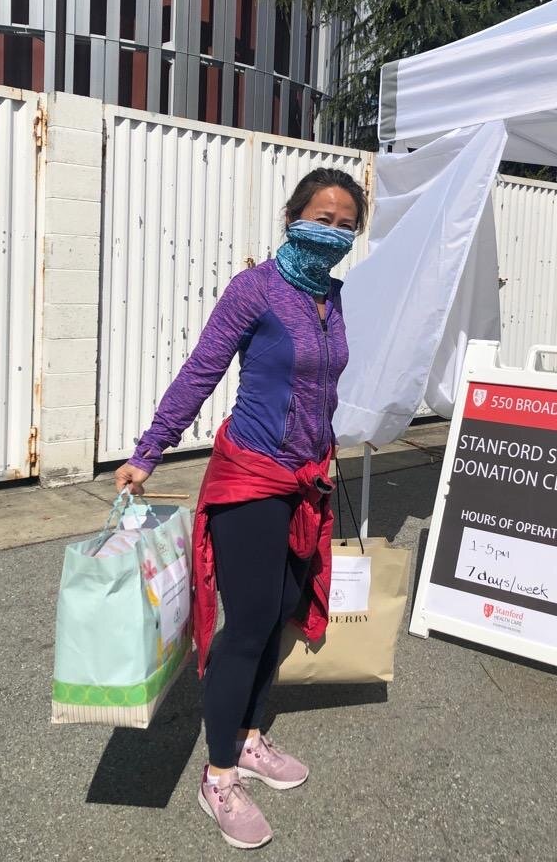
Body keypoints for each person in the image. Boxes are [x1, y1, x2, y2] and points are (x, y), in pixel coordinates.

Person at [115, 168, 368, 850]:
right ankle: (219, 773)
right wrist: (149, 450)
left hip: (304, 482)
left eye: (347, 224)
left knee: (283, 606)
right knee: (250, 619)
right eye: (323, 216)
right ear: (293, 217)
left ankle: (253, 737)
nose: (334, 231)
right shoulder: (254, 290)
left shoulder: (334, 299)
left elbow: (320, 387)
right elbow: (202, 371)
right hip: (250, 478)